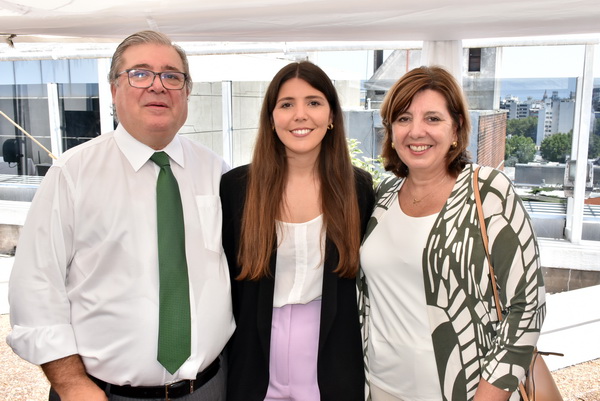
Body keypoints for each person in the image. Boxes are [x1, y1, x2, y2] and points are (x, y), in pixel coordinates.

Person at [7, 30, 234, 401]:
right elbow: (35, 287)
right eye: (140, 74)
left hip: (208, 388)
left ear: (187, 92)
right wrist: (70, 383)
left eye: (172, 76)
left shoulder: (216, 171)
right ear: (114, 90)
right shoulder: (73, 174)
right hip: (102, 394)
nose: (158, 86)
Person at [359, 66, 546, 401]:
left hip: (465, 391)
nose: (416, 131)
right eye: (403, 119)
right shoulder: (384, 195)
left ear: (456, 128)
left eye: (432, 118)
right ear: (391, 131)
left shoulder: (488, 191)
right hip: (379, 386)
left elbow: (527, 305)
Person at [220, 61, 375, 401]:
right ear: (271, 118)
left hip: (332, 361)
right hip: (255, 360)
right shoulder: (236, 188)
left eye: (314, 102)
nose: (300, 115)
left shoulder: (358, 189)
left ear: (331, 116)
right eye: (287, 104)